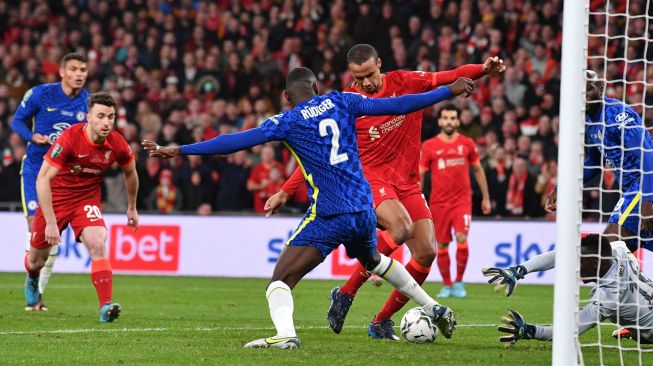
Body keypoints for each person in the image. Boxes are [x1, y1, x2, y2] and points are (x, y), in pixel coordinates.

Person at [143, 67, 475, 349]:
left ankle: (285, 335)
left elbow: (234, 141)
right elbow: (400, 104)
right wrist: (447, 91)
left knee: (279, 282)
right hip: (362, 210)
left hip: (329, 214)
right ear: (316, 87)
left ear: (287, 97)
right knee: (374, 260)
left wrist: (180, 149)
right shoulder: (342, 100)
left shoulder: (287, 121)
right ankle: (434, 306)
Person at [265, 44, 505, 339]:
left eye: (369, 74)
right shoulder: (347, 102)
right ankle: (347, 291)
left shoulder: (406, 81)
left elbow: (452, 75)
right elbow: (319, 155)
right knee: (401, 228)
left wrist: (483, 69)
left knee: (427, 251)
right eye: (358, 77)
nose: (365, 82)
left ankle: (380, 321)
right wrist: (287, 191)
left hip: (407, 183)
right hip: (370, 179)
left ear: (379, 64)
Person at [24, 92, 139, 322]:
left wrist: (132, 208)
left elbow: (131, 173)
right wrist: (51, 222)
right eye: (100, 116)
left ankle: (105, 307)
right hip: (55, 199)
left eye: (111, 117)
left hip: (86, 199)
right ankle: (33, 278)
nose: (106, 122)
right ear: (88, 117)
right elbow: (42, 179)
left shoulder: (117, 143)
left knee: (98, 244)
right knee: (37, 260)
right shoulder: (69, 138)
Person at [11, 53, 90, 311]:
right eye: (74, 69)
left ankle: (38, 291)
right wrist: (32, 136)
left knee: (52, 236)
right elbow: (17, 121)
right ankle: (32, 283)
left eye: (84, 70)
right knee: (36, 225)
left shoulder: (88, 104)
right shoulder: (40, 94)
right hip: (36, 169)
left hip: (64, 177)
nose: (79, 74)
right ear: (62, 72)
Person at [486, 235, 653, 345]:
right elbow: (558, 255)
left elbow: (569, 330)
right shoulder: (619, 250)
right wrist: (519, 270)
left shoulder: (608, 297)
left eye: (579, 261)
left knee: (643, 336)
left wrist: (530, 331)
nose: (574, 265)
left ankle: (636, 330)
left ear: (595, 262)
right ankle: (634, 327)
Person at [419, 104, 491, 298]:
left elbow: (478, 169)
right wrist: (417, 200)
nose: (449, 121)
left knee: (461, 238)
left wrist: (485, 197)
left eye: (453, 118)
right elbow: (421, 174)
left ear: (458, 121)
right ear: (440, 121)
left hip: (462, 202)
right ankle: (447, 284)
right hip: (439, 203)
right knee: (441, 245)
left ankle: (459, 282)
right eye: (446, 118)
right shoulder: (429, 146)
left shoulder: (467, 143)